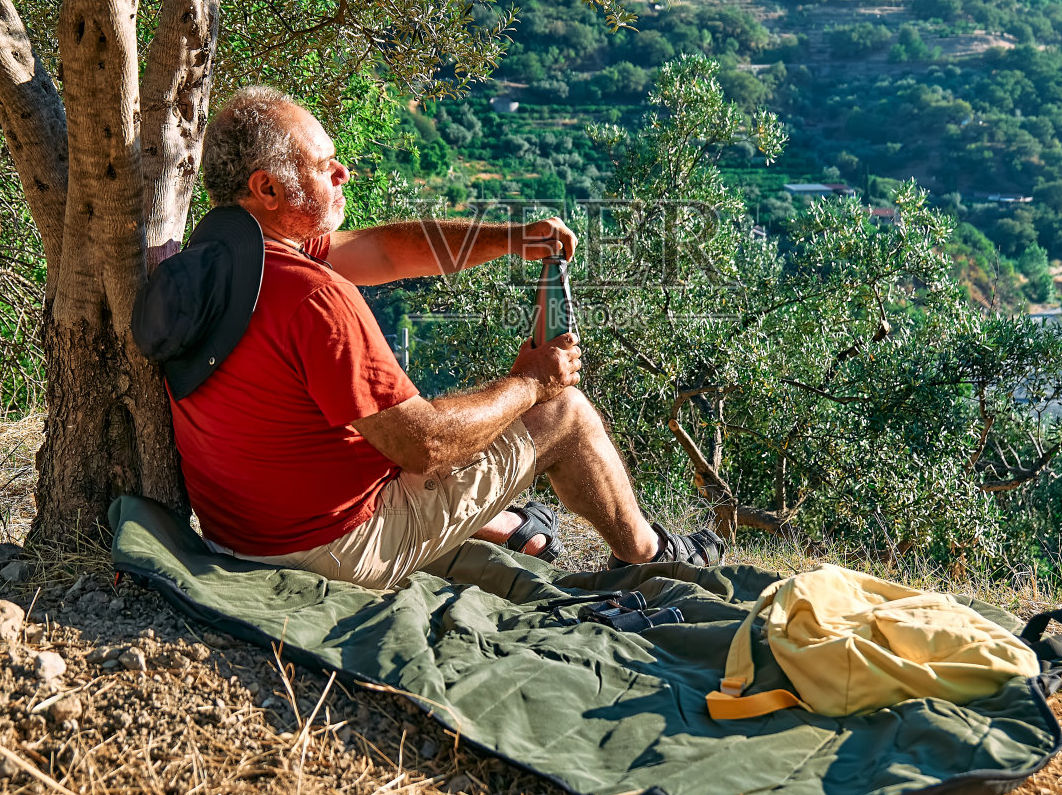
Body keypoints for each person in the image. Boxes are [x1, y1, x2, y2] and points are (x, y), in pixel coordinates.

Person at [134, 85, 722, 590]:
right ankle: (651, 557)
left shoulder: (225, 261)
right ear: (267, 189)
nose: (344, 174)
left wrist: (511, 238)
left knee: (482, 414)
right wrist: (532, 383)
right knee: (564, 414)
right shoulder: (314, 298)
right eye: (324, 166)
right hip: (331, 548)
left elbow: (389, 249)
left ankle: (513, 527)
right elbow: (424, 445)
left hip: (247, 530)